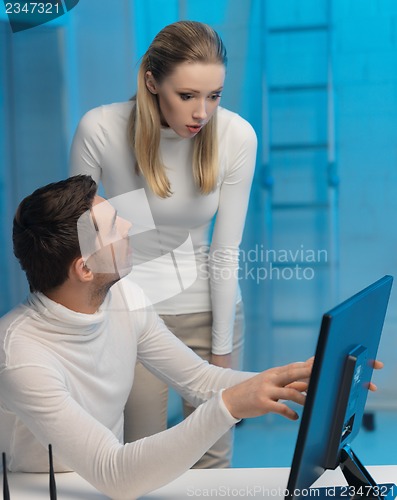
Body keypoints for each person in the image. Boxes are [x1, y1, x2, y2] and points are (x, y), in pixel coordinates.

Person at [0, 175, 313, 499]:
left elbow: (200, 380)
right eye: (113, 227)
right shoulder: (20, 357)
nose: (127, 226)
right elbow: (116, 473)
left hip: (98, 489)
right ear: (85, 269)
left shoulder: (125, 299)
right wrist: (228, 407)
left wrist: (299, 381)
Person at [69, 20, 257, 468]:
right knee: (140, 460)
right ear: (152, 81)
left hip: (210, 310)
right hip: (130, 314)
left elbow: (224, 250)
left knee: (212, 461)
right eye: (187, 95)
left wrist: (222, 348)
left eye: (214, 95)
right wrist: (90, 332)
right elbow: (80, 242)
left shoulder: (235, 136)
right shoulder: (100, 128)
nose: (202, 113)